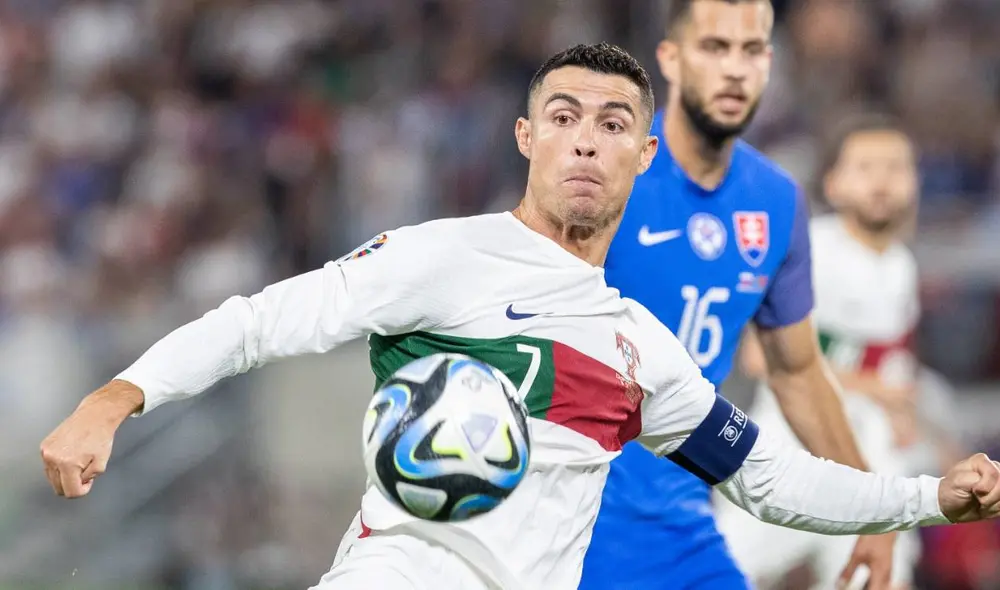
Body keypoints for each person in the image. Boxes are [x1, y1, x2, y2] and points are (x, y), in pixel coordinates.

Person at [40, 43, 1000, 590]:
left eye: (614, 123)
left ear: (645, 157)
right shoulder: (440, 256)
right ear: (527, 137)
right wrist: (113, 399)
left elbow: (767, 479)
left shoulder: (640, 350)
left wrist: (923, 498)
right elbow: (256, 323)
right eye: (567, 116)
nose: (587, 140)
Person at [580, 2, 896, 589]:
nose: (734, 69)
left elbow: (797, 372)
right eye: (714, 47)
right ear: (670, 59)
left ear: (769, 63)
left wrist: (873, 508)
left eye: (751, 51)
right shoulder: (605, 174)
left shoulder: (775, 202)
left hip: (683, 523)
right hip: (573, 524)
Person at [714, 115, 927, 589]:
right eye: (866, 166)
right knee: (718, 572)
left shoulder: (901, 266)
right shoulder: (818, 251)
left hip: (871, 454)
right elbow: (759, 357)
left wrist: (899, 415)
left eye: (896, 167)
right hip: (791, 449)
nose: (882, 180)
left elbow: (886, 362)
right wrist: (877, 389)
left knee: (879, 579)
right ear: (832, 183)